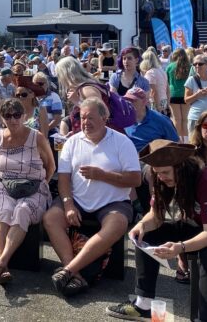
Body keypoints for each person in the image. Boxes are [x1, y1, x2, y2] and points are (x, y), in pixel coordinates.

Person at [106, 140, 207, 322]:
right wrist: (142, 226)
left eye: (165, 172)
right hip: (204, 227)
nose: (161, 177)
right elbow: (156, 215)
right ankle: (143, 304)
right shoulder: (162, 177)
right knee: (148, 234)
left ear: (181, 167)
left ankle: (206, 319)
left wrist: (180, 247)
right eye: (157, 172)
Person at [45, 98, 141, 297]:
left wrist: (102, 175)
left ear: (104, 118)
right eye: (82, 117)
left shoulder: (122, 142)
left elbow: (136, 179)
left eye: (90, 117)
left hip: (112, 202)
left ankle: (68, 271)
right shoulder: (72, 142)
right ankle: (75, 272)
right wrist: (68, 203)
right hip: (78, 199)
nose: (85, 122)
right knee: (50, 218)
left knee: (118, 224)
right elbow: (63, 178)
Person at [0, 98, 54, 284]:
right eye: (8, 116)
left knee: (22, 210)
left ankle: (0, 263)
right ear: (2, 118)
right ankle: (4, 266)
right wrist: (4, 181)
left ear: (24, 116)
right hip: (4, 185)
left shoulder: (37, 137)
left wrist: (42, 184)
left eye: (17, 115)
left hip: (34, 185)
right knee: (5, 211)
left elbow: (51, 166)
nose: (13, 119)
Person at [122, 87, 179, 153]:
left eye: (133, 100)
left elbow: (175, 144)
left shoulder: (161, 120)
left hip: (151, 160)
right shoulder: (122, 119)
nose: (129, 103)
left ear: (144, 102)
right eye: (127, 100)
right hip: (127, 159)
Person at [165, 48, 191, 144]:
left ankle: (177, 141)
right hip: (186, 94)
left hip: (173, 94)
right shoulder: (190, 66)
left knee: (176, 119)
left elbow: (166, 81)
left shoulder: (170, 67)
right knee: (185, 119)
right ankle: (186, 141)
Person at [33, 72, 63, 137]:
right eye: (35, 84)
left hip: (50, 130)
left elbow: (57, 119)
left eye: (41, 84)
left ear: (47, 84)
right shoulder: (30, 97)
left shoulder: (54, 97)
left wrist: (44, 130)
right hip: (33, 130)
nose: (38, 86)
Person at [140, 50, 168, 114]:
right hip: (163, 100)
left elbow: (153, 91)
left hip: (155, 102)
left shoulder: (150, 73)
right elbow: (167, 88)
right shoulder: (161, 71)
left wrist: (158, 107)